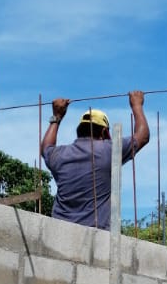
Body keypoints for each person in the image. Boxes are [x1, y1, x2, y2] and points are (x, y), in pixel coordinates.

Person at [40, 91, 150, 229]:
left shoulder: (60, 155)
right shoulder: (109, 150)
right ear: (104, 132)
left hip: (59, 232)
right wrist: (137, 105)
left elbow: (46, 148)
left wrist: (57, 117)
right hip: (96, 236)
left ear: (79, 131)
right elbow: (143, 136)